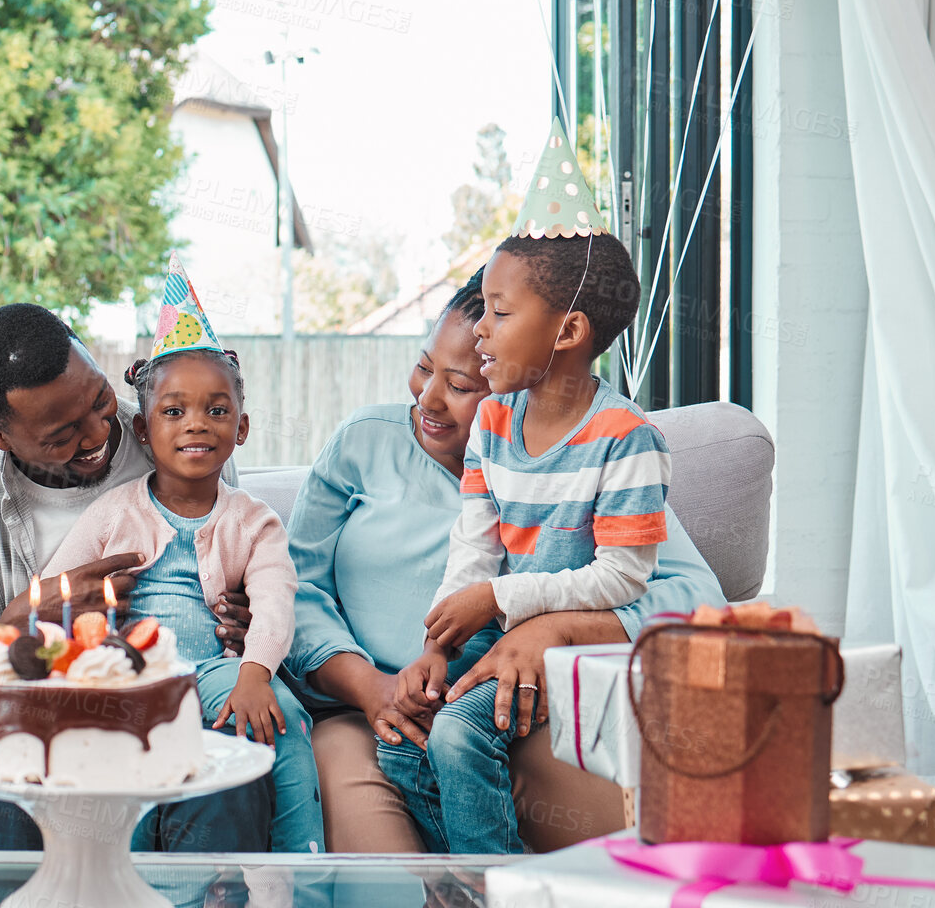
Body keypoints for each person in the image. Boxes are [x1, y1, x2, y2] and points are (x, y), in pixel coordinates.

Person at [283, 267, 726, 854]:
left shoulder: (586, 461)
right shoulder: (364, 442)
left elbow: (696, 599)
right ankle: (474, 899)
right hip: (369, 711)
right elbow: (295, 587)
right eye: (423, 367)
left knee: (624, 853)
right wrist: (369, 686)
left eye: (462, 385)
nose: (428, 400)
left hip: (513, 712)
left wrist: (555, 627)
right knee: (390, 880)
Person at [381, 124, 669, 856]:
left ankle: (495, 898)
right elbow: (473, 546)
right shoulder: (494, 422)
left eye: (499, 313)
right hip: (503, 620)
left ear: (567, 330)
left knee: (455, 728)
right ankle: (481, 867)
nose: (480, 331)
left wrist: (501, 601)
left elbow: (622, 577)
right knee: (400, 731)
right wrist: (435, 643)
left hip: (586, 636)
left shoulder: (625, 438)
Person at [0, 301, 273, 852]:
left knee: (224, 764)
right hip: (37, 708)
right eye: (61, 437)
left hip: (171, 689)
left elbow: (238, 549)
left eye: (101, 400)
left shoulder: (171, 427)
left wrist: (246, 614)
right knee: (13, 772)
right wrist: (24, 616)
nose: (100, 432)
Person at [45, 262, 318, 853]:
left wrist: (254, 674)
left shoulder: (253, 520)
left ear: (241, 428)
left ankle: (302, 862)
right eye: (174, 411)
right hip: (132, 676)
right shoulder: (113, 513)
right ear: (143, 431)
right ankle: (130, 871)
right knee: (122, 762)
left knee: (285, 718)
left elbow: (275, 604)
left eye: (216, 411)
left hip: (218, 673)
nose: (197, 423)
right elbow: (54, 587)